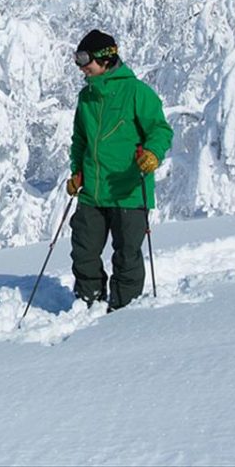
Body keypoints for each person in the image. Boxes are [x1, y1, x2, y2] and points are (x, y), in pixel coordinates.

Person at [66, 30, 173, 311]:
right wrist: (76, 172)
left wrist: (153, 153)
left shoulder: (137, 92)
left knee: (126, 256)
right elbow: (80, 141)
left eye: (85, 61)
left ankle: (124, 311)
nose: (81, 69)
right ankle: (89, 304)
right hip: (93, 191)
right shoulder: (86, 97)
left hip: (128, 189)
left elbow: (160, 130)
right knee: (84, 252)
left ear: (104, 58)